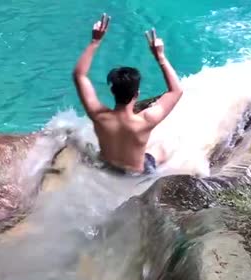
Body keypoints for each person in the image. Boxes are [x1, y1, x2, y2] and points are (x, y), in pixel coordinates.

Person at [72, 13, 183, 175]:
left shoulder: (98, 115)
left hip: (107, 168)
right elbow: (176, 90)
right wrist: (160, 56)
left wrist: (95, 41)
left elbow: (79, 75)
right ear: (136, 94)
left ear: (112, 91)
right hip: (135, 175)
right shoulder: (146, 120)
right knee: (163, 147)